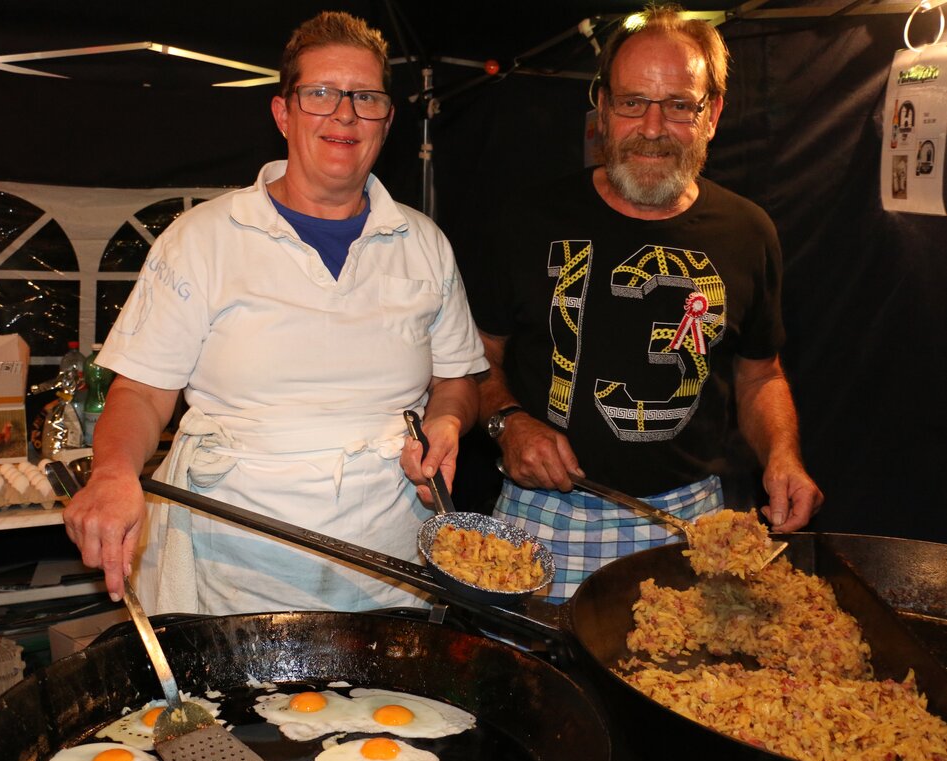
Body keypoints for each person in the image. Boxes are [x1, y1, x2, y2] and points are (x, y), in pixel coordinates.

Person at [63, 11, 487, 615]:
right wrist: (111, 474)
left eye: (365, 98)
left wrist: (446, 424)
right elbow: (142, 392)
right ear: (282, 113)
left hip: (388, 559)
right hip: (234, 558)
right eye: (320, 94)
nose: (344, 114)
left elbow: (457, 380)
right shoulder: (203, 238)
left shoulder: (424, 242)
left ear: (387, 121)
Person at [469, 4, 823, 602]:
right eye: (633, 102)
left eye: (679, 105)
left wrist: (784, 457)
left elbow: (759, 372)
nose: (653, 127)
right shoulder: (525, 220)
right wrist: (509, 423)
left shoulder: (748, 231)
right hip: (542, 520)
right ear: (603, 109)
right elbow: (474, 361)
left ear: (711, 113)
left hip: (690, 526)